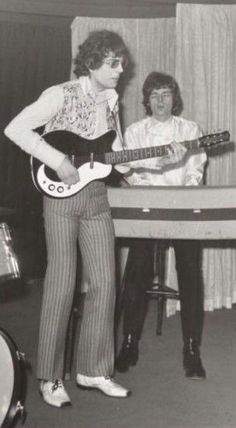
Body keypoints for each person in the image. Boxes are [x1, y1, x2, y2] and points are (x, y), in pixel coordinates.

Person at [4, 29, 132, 408]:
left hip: (96, 200)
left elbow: (118, 153)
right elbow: (15, 128)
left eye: (121, 62)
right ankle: (50, 377)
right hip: (60, 200)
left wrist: (159, 158)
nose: (121, 69)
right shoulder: (60, 93)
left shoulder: (112, 101)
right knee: (61, 285)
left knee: (106, 283)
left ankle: (93, 369)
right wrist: (56, 159)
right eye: (114, 63)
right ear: (92, 62)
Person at [115, 71, 207, 379]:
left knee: (190, 270)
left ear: (174, 98)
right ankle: (129, 342)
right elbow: (128, 172)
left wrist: (181, 193)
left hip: (182, 207)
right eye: (154, 95)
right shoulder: (135, 131)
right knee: (137, 269)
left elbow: (196, 174)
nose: (160, 101)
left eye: (165, 94)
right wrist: (148, 192)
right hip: (145, 205)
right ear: (147, 100)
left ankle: (192, 348)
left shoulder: (190, 129)